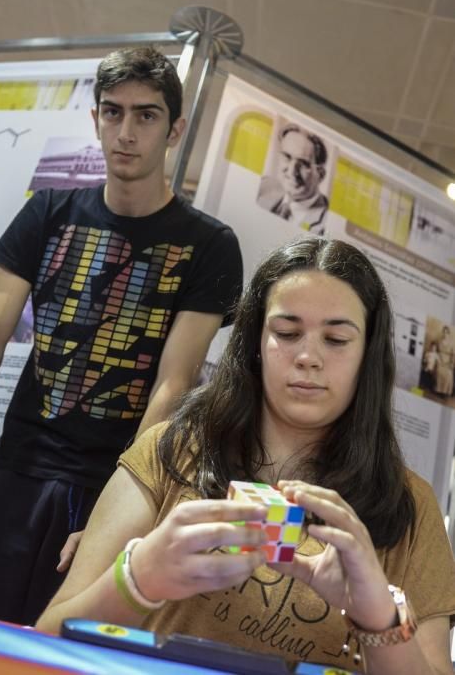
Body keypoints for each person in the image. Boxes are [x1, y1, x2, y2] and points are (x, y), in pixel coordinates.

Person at [37, 237, 455, 674]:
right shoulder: (173, 449)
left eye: (336, 339)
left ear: (367, 355)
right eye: (287, 333)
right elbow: (47, 639)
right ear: (256, 340)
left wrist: (379, 620)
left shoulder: (411, 505)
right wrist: (138, 579)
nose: (308, 357)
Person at [0, 46, 243, 625]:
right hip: (17, 467)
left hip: (108, 481)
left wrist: (120, 509)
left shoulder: (209, 245)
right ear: (96, 119)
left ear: (174, 129)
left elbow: (173, 385)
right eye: (113, 112)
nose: (125, 132)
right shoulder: (47, 212)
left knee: (60, 648)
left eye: (146, 115)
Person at [257, 124, 329, 235]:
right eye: (287, 157)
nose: (292, 171)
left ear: (320, 175)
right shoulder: (263, 187)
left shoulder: (326, 224)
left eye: (304, 164)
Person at [434, 326, 454, 397]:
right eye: (444, 332)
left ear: (449, 334)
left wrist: (451, 363)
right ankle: (438, 390)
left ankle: (444, 392)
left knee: (449, 373)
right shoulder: (439, 341)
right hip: (440, 359)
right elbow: (436, 351)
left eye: (447, 333)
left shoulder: (452, 343)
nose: (445, 334)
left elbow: (453, 355)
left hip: (448, 361)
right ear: (442, 333)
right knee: (439, 371)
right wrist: (438, 359)